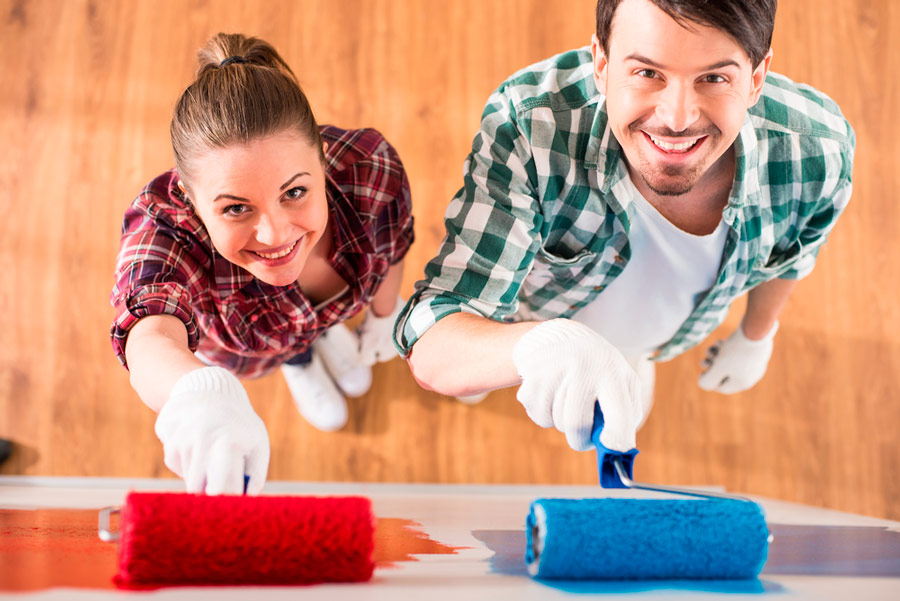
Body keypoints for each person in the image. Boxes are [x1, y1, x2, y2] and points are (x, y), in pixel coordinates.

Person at [396, 0, 853, 454]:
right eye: (647, 73)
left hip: (655, 338)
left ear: (756, 80)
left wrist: (757, 336)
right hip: (524, 317)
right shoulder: (532, 125)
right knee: (472, 376)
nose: (677, 119)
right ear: (601, 63)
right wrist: (529, 348)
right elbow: (436, 334)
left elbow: (794, 252)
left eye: (714, 78)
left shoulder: (816, 153)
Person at [110, 33, 413, 494]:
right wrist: (200, 396)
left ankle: (326, 333)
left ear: (323, 158)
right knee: (291, 348)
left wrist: (384, 316)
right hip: (260, 345)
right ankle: (300, 360)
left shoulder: (370, 166)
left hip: (337, 314)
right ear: (190, 198)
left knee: (331, 332)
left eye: (295, 192)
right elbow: (149, 332)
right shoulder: (163, 225)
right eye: (235, 208)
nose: (275, 236)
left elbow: (395, 245)